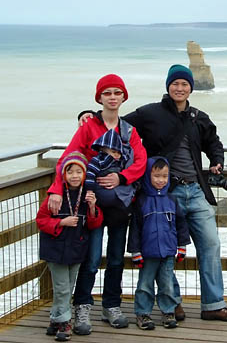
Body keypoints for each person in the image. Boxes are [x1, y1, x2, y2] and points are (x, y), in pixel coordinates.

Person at [122, 64, 227, 322]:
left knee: (210, 244)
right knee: (165, 250)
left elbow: (213, 141)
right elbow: (119, 127)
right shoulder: (150, 113)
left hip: (197, 191)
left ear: (191, 88)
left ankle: (213, 305)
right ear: (168, 86)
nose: (179, 88)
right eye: (175, 83)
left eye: (184, 84)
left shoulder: (198, 117)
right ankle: (172, 303)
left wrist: (216, 159)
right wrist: (90, 116)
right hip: (165, 194)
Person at [48, 74, 147, 335]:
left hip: (119, 205)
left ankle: (111, 306)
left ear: (124, 97)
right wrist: (56, 190)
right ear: (99, 98)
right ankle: (82, 306)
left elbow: (140, 161)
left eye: (117, 93)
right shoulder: (88, 126)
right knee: (90, 259)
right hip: (91, 205)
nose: (113, 97)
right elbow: (68, 158)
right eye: (107, 93)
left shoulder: (129, 130)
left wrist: (121, 177)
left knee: (115, 258)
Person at [36, 152, 104, 341]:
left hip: (76, 249)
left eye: (79, 172)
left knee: (68, 286)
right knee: (62, 288)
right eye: (70, 172)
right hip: (55, 249)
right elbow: (41, 221)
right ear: (63, 174)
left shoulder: (87, 196)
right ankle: (64, 323)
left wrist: (92, 208)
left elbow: (94, 224)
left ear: (85, 174)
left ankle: (54, 319)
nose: (74, 176)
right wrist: (61, 223)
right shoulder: (54, 197)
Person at [127, 157, 190, 330]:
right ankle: (143, 313)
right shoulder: (141, 201)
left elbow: (181, 223)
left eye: (164, 176)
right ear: (148, 176)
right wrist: (135, 251)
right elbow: (135, 229)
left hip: (168, 251)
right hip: (147, 253)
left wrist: (182, 246)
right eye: (156, 176)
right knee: (145, 285)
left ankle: (168, 312)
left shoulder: (172, 200)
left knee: (167, 284)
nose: (161, 180)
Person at [85, 128, 135, 211]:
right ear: (103, 149)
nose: (117, 155)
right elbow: (90, 175)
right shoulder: (98, 160)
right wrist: (90, 190)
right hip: (100, 190)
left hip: (115, 191)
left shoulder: (121, 161)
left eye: (119, 152)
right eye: (113, 151)